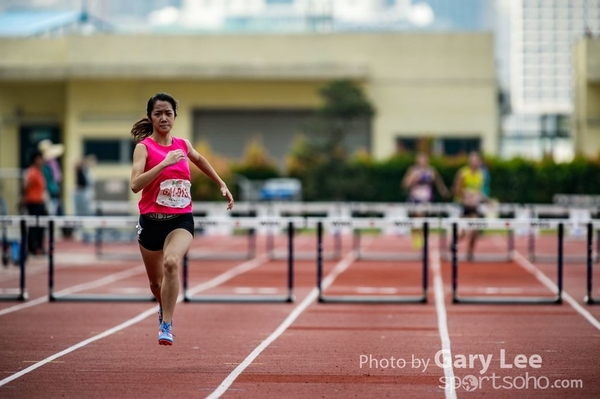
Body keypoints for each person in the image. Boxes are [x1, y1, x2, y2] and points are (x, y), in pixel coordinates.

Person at [130, 92, 234, 346]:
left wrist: (221, 184)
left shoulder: (183, 145)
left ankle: (166, 325)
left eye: (168, 113)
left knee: (172, 263)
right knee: (156, 283)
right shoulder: (143, 148)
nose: (163, 118)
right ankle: (162, 306)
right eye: (158, 113)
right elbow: (135, 185)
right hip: (151, 222)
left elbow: (200, 160)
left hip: (181, 220)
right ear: (150, 117)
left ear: (175, 115)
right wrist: (164, 164)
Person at [401, 152, 450, 248]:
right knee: (414, 220)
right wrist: (413, 179)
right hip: (414, 198)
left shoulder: (431, 171)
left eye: (424, 159)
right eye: (420, 159)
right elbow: (404, 184)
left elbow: (439, 183)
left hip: (426, 199)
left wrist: (444, 191)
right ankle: (416, 236)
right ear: (417, 161)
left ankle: (422, 238)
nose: (422, 162)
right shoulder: (413, 170)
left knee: (420, 217)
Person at [452, 151, 488, 260]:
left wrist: (486, 200)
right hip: (462, 206)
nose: (475, 163)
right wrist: (465, 194)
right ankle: (454, 242)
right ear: (469, 162)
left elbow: (480, 192)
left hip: (473, 207)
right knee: (461, 233)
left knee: (474, 230)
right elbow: (455, 190)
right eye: (473, 161)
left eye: (477, 161)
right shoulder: (463, 173)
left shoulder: (481, 175)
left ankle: (470, 252)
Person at [22, 150, 48, 255]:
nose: (42, 161)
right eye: (40, 158)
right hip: (33, 202)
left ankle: (39, 246)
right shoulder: (32, 172)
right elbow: (26, 186)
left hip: (40, 202)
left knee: (42, 225)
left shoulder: (39, 171)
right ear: (35, 159)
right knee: (33, 226)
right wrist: (24, 197)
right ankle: (32, 247)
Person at [74, 154, 97, 242]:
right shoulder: (81, 169)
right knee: (81, 213)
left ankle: (88, 233)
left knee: (89, 213)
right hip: (81, 194)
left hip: (87, 194)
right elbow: (75, 165)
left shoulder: (89, 171)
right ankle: (81, 233)